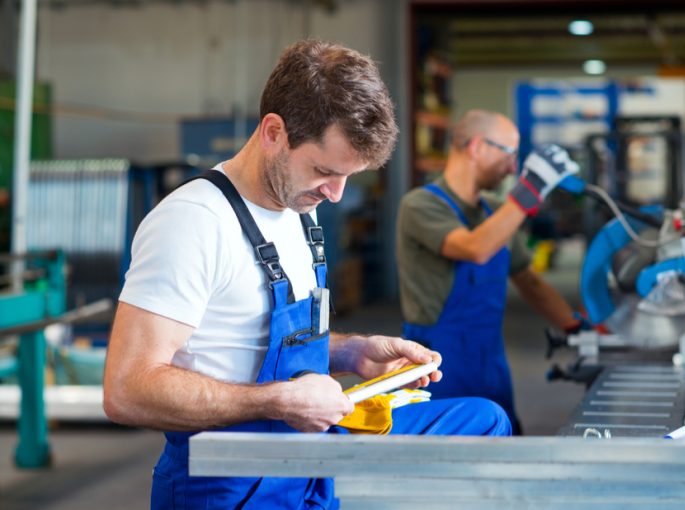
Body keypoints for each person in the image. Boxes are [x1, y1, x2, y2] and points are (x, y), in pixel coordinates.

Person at [103, 41, 511, 510]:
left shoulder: (300, 207)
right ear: (274, 131)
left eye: (347, 177)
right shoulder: (193, 221)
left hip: (304, 456)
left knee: (483, 420)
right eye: (324, 170)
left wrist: (352, 351)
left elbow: (244, 335)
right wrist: (280, 401)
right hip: (230, 480)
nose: (336, 195)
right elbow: (127, 390)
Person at [396, 109, 585, 434]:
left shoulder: (498, 212)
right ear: (477, 147)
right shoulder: (420, 206)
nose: (513, 167)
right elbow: (475, 248)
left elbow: (529, 280)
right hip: (438, 368)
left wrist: (576, 328)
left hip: (490, 360)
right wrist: (531, 189)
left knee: (504, 445)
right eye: (510, 153)